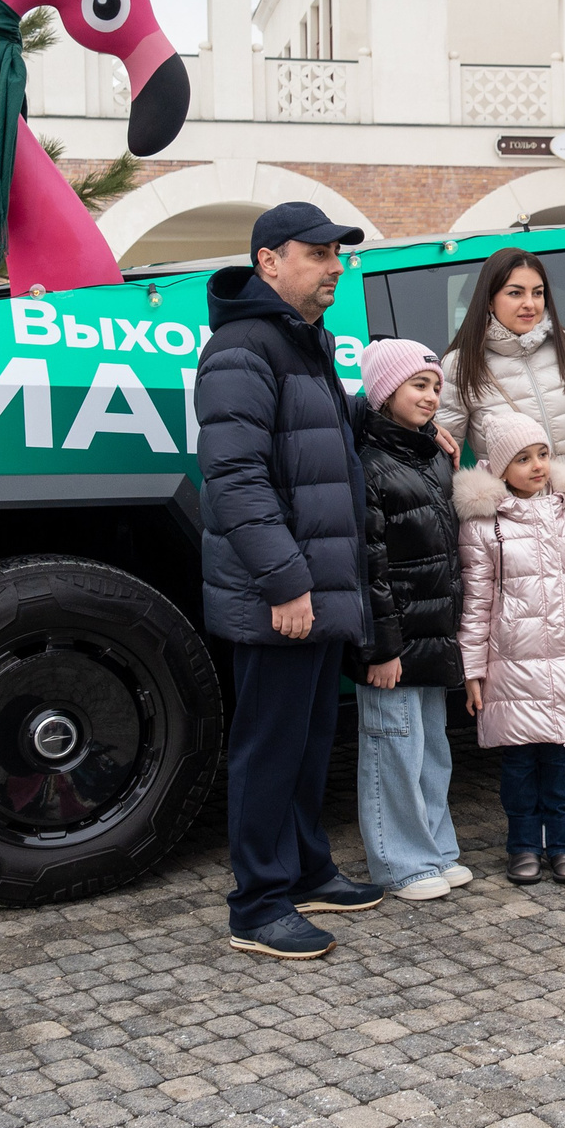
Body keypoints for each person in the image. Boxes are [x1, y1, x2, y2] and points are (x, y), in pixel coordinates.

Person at [197, 201, 385, 961]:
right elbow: (235, 477)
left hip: (316, 586)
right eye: (318, 253)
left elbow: (316, 442)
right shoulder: (244, 347)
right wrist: (284, 581)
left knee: (309, 742)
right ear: (269, 261)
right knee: (269, 748)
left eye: (338, 253)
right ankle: (258, 903)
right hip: (283, 592)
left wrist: (395, 420)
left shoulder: (304, 344)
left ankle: (306, 868)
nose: (335, 265)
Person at [439, 247, 565, 856]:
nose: (529, 304)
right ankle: (541, 827)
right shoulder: (462, 363)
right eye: (515, 293)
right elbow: (444, 445)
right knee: (529, 679)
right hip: (519, 544)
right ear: (489, 299)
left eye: (537, 292)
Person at [454, 409, 565, 887]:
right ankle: (523, 845)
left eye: (542, 454)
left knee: (561, 765)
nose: (537, 465)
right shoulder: (485, 526)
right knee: (520, 768)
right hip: (513, 671)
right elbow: (476, 602)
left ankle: (564, 845)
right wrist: (473, 670)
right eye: (523, 458)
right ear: (500, 468)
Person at [351, 337, 473, 904]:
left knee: (430, 748)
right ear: (384, 393)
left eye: (434, 387)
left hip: (432, 632)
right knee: (392, 746)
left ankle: (436, 848)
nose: (430, 397)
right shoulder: (370, 466)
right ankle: (399, 861)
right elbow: (368, 564)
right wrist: (381, 647)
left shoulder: (429, 457)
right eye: (417, 386)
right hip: (394, 641)